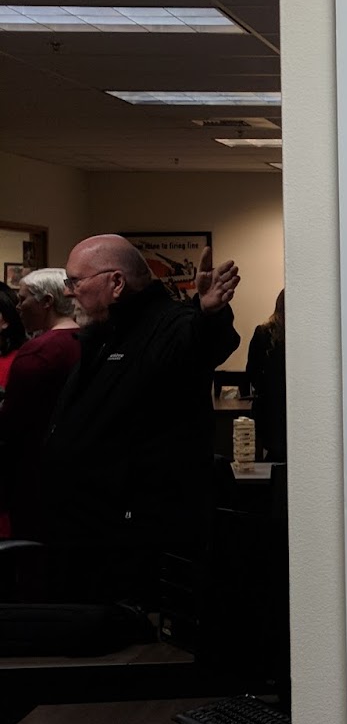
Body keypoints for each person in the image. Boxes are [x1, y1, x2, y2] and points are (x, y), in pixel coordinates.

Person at [39, 236, 240, 606]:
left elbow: (198, 344)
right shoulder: (106, 331)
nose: (68, 292)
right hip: (84, 533)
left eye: (75, 281)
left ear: (116, 282)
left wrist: (208, 314)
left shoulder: (168, 324)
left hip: (131, 543)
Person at [0, 269, 82, 539]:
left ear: (47, 301)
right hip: (73, 471)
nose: (17, 307)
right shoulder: (87, 340)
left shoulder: (38, 351)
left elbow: (11, 423)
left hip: (34, 472)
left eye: (23, 299)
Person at [247, 289, 288, 462]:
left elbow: (251, 372)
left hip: (269, 407)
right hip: (295, 404)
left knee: (274, 456)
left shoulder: (263, 332)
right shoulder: (305, 336)